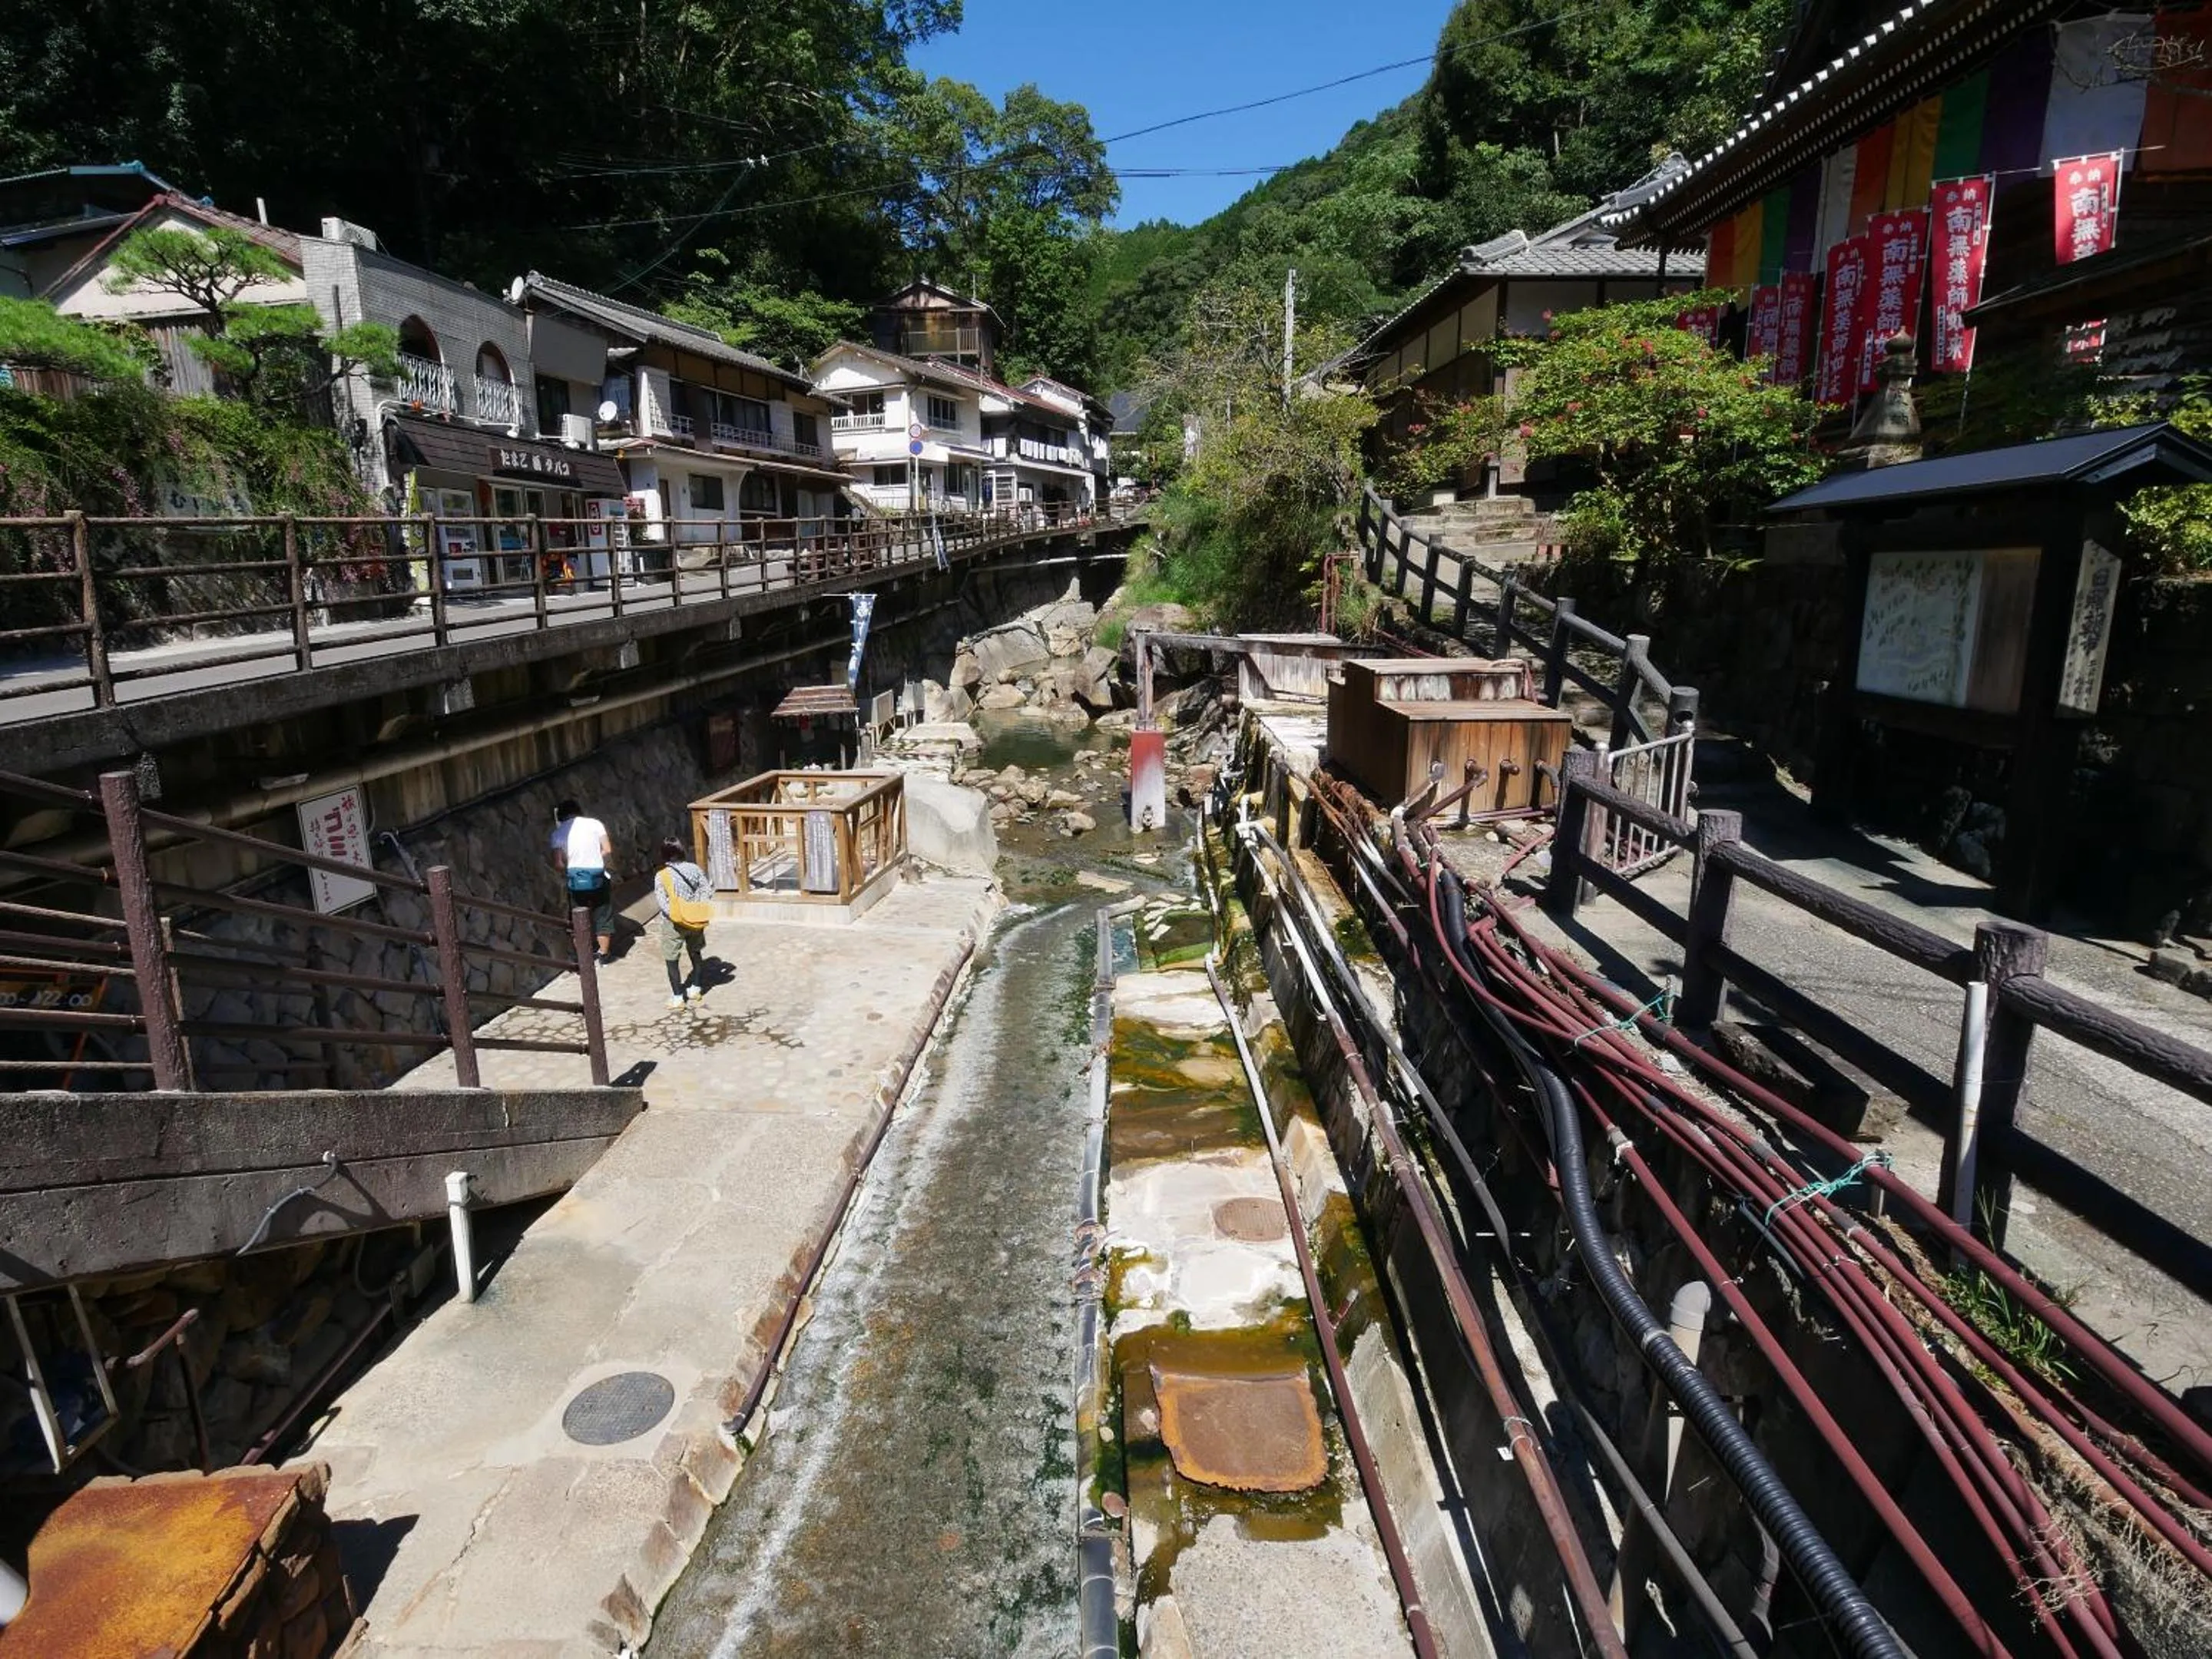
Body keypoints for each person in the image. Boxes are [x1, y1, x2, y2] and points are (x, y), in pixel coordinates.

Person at [552, 800, 615, 962]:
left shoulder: (558, 833)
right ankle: (603, 955)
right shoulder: (595, 824)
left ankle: (584, 957)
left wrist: (572, 865)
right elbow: (607, 849)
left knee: (578, 918)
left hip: (575, 879)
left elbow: (558, 864)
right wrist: (594, 858)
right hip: (598, 877)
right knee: (603, 915)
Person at [654, 837, 712, 1010]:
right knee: (695, 952)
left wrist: (675, 914)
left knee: (672, 959)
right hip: (695, 919)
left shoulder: (662, 875)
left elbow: (661, 901)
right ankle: (695, 988)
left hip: (674, 922)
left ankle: (678, 997)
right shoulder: (694, 869)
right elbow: (706, 890)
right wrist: (697, 906)